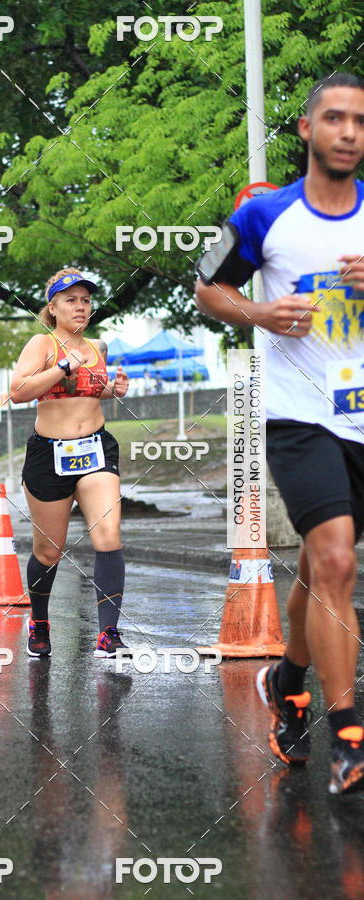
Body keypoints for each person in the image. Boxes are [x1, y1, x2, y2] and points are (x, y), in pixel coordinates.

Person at [195, 72, 364, 794]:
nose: (349, 131)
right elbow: (206, 287)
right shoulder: (267, 217)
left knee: (322, 567)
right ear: (305, 129)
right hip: (298, 416)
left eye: (359, 120)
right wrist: (259, 314)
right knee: (335, 560)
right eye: (334, 118)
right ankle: (350, 735)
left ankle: (287, 679)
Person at [10, 267, 130, 658]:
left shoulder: (97, 347)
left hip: (96, 450)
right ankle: (40, 622)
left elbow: (90, 392)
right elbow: (18, 391)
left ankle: (108, 634)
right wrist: (63, 366)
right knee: (49, 551)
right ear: (53, 307)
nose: (80, 307)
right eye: (70, 300)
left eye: (85, 300)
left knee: (108, 535)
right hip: (50, 455)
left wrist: (114, 390)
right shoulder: (42, 345)